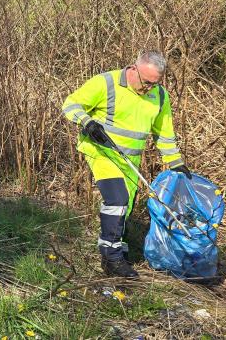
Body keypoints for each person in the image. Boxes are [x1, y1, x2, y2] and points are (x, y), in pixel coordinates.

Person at [62, 50, 191, 278]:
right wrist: (88, 123)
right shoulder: (106, 83)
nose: (149, 88)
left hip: (130, 159)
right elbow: (71, 104)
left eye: (155, 84)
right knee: (117, 199)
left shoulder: (159, 96)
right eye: (146, 82)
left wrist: (175, 162)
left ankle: (114, 244)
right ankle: (111, 259)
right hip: (101, 150)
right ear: (133, 70)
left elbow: (164, 134)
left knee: (126, 206)